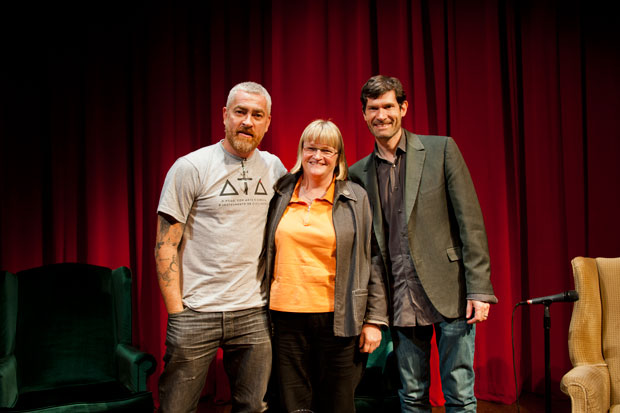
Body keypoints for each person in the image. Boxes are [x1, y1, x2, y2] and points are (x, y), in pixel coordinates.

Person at [349, 75, 498, 412]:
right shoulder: (359, 173)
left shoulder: (441, 149)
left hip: (451, 291)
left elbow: (470, 224)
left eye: (388, 106)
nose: (381, 115)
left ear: (403, 108)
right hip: (400, 298)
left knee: (459, 393)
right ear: (364, 115)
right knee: (411, 395)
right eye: (373, 109)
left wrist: (479, 290)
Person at [155, 81, 287, 413]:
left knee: (253, 407)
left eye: (258, 115)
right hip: (196, 313)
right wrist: (177, 314)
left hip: (254, 312)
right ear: (225, 116)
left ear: (268, 122)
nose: (248, 122)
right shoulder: (190, 168)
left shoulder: (275, 169)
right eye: (241, 112)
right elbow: (165, 246)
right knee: (176, 408)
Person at [264, 119, 388, 413]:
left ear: (338, 158)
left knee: (337, 404)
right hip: (285, 319)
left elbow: (373, 259)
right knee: (294, 404)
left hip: (339, 320)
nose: (317, 156)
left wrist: (374, 320)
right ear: (301, 151)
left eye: (327, 150)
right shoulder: (281, 193)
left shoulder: (355, 197)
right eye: (311, 147)